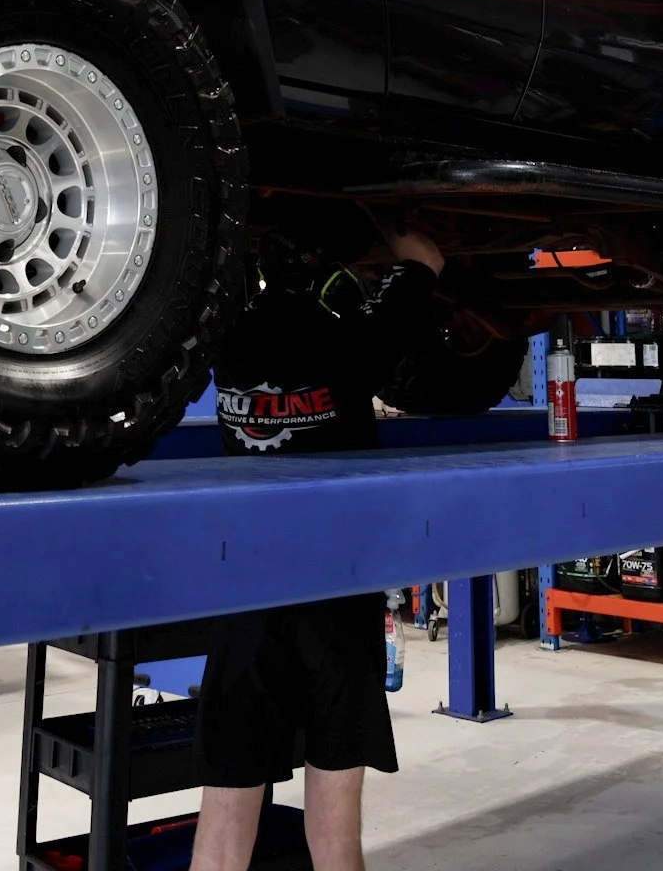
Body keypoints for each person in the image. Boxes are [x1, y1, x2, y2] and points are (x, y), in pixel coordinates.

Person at [191, 211, 445, 871]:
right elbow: (425, 267)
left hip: (246, 602)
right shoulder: (351, 347)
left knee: (221, 835)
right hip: (336, 601)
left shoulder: (224, 343)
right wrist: (398, 239)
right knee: (333, 837)